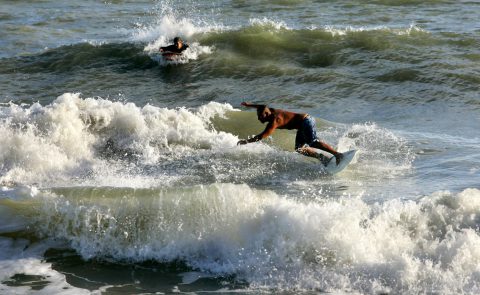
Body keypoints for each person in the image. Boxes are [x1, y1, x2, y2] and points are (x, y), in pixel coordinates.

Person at [237, 102, 343, 165]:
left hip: (306, 121)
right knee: (299, 148)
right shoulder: (270, 111)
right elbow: (262, 106)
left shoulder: (274, 121)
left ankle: (338, 155)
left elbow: (261, 136)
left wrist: (246, 142)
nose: (259, 119)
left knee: (313, 142)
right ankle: (323, 158)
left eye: (260, 116)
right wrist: (249, 105)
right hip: (303, 124)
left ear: (266, 114)